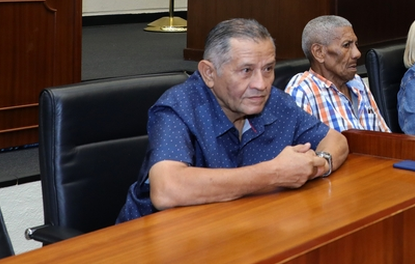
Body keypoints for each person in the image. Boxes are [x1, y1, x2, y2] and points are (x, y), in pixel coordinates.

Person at [117, 19, 348, 222]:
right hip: (155, 243)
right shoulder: (178, 107)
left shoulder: (274, 101)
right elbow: (167, 190)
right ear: (209, 73)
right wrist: (274, 173)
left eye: (268, 68)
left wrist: (319, 165)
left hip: (237, 230)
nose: (261, 84)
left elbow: (335, 141)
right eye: (246, 70)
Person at [285, 15, 390, 132]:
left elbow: (385, 137)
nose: (357, 53)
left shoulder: (357, 82)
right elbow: (296, 149)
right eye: (346, 45)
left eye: (356, 44)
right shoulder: (302, 91)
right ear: (319, 52)